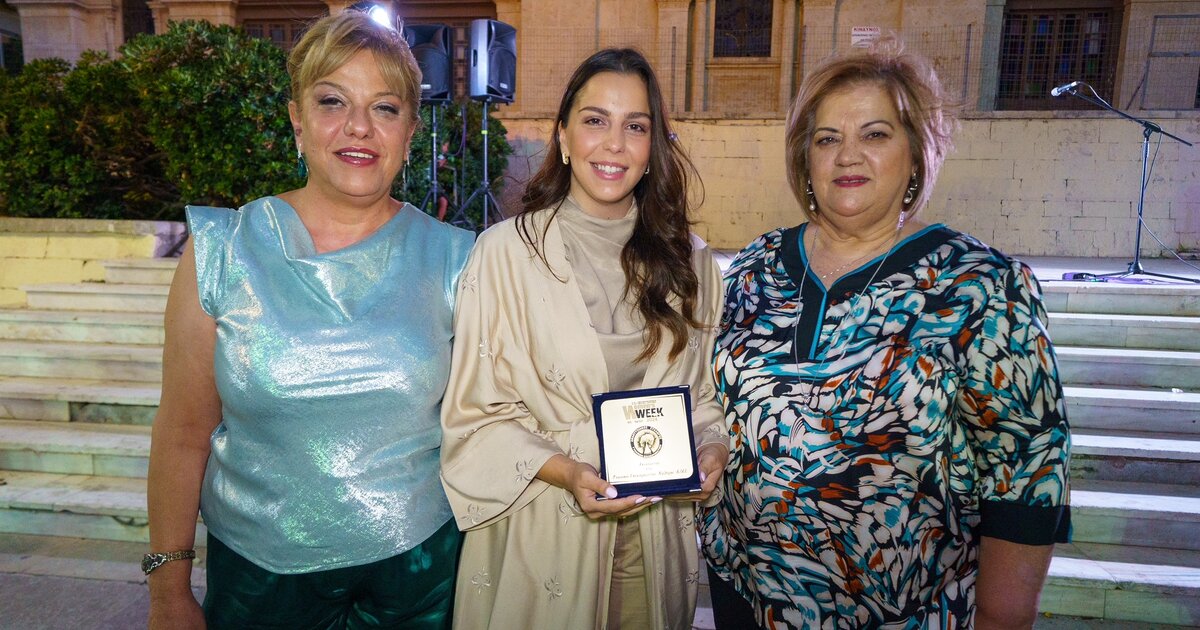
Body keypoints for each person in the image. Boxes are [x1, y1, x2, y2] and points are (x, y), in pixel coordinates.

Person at [700, 38, 1071, 629]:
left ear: (916, 154)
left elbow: (1026, 464)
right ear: (805, 160)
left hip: (906, 613)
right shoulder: (753, 267)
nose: (848, 155)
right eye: (827, 139)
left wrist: (1003, 617)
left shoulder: (979, 285)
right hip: (748, 596)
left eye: (874, 134)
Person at [145, 11, 473, 629]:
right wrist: (168, 590)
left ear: (410, 131)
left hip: (419, 585)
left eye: (384, 107)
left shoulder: (459, 260)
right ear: (297, 118)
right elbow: (183, 433)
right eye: (332, 101)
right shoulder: (222, 251)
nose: (358, 127)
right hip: (257, 588)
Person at [439, 48, 728, 629]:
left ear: (653, 148)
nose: (615, 144)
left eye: (635, 126)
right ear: (564, 137)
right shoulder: (504, 255)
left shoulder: (692, 265)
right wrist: (568, 471)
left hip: (657, 546)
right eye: (596, 120)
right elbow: (473, 419)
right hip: (541, 541)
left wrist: (712, 450)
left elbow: (702, 401)